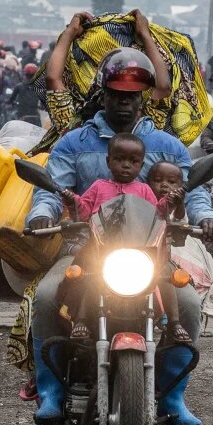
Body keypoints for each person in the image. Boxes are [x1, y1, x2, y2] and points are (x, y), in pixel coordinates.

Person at [26, 23, 213, 425]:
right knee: (45, 296)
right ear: (103, 93)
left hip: (150, 254)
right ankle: (51, 390)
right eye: (117, 94)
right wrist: (42, 214)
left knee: (188, 305)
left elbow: (192, 192)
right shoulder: (74, 141)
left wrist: (206, 218)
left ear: (145, 96)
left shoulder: (167, 145)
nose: (125, 103)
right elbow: (51, 190)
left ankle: (173, 396)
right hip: (85, 251)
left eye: (133, 96)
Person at [59, 132, 182, 340]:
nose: (126, 165)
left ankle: (173, 322)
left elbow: (157, 214)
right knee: (87, 272)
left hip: (138, 252)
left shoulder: (144, 189)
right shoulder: (98, 187)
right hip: (101, 250)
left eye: (133, 161)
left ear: (141, 166)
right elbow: (84, 210)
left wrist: (172, 200)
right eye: (119, 159)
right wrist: (72, 200)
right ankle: (79, 318)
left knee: (166, 272)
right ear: (108, 161)